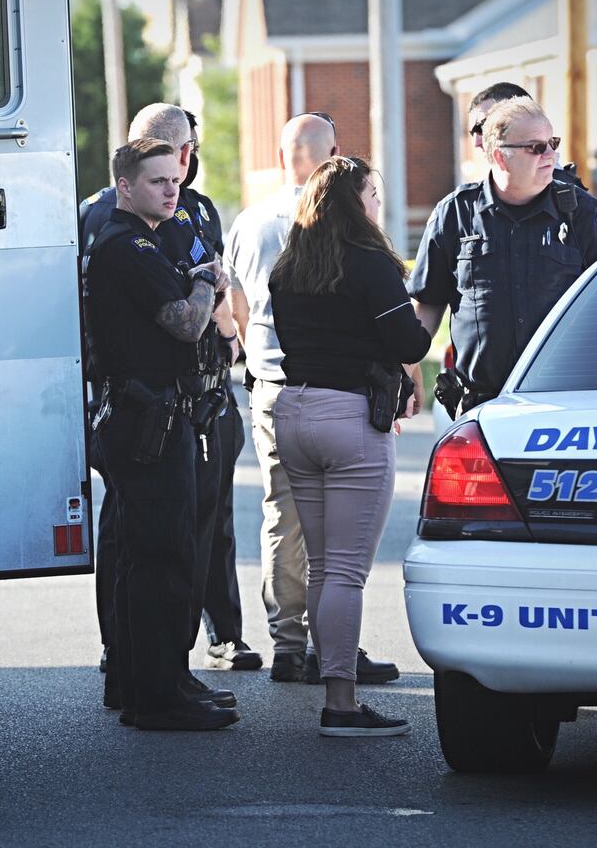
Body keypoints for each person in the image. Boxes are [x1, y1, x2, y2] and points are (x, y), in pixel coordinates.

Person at [82, 105, 260, 678]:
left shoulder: (198, 207)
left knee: (207, 521)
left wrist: (234, 337)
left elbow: (221, 278)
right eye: (164, 151)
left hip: (205, 387)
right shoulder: (102, 217)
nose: (178, 165)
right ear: (133, 155)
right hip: (140, 396)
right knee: (136, 536)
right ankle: (130, 654)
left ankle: (216, 636)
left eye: (184, 150)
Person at [225, 113, 402, 686]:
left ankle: (287, 644)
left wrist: (258, 362)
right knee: (338, 545)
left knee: (283, 517)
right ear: (336, 155)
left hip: (273, 389)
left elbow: (238, 306)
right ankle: (335, 655)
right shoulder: (343, 227)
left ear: (281, 155)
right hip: (341, 389)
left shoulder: (249, 222)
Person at [267, 155, 430, 736]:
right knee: (346, 573)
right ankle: (340, 702)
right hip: (349, 418)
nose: (378, 205)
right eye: (374, 194)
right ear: (356, 203)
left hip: (294, 409)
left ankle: (333, 683)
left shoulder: (289, 268)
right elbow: (409, 339)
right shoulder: (370, 265)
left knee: (321, 567)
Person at [409, 97, 597, 417]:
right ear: (500, 156)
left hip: (566, 403)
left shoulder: (582, 213)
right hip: (481, 406)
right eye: (536, 148)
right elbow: (427, 303)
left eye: (552, 143)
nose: (551, 155)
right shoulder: (455, 213)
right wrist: (406, 368)